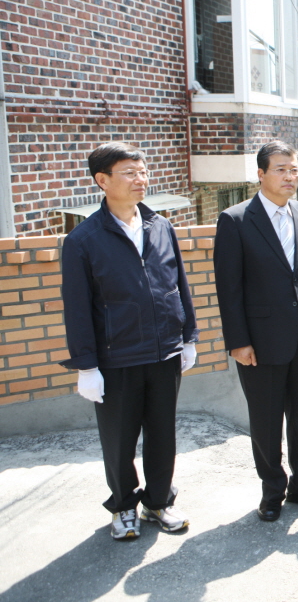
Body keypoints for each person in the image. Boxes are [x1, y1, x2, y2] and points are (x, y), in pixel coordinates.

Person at [61, 142, 198, 540]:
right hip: (115, 358)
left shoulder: (160, 226)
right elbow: (77, 308)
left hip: (164, 351)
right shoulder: (83, 240)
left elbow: (179, 286)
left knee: (162, 433)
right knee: (120, 439)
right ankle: (123, 507)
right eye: (130, 173)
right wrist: (86, 366)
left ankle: (159, 501)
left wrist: (187, 336)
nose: (141, 179)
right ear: (102, 181)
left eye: (143, 171)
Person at [213, 141, 298, 522]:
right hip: (260, 340)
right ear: (261, 174)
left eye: (295, 170)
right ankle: (272, 491)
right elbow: (229, 288)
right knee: (266, 421)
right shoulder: (235, 220)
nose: (290, 176)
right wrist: (238, 341)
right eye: (281, 169)